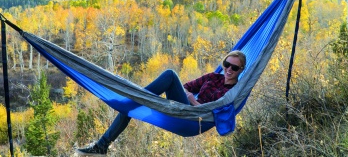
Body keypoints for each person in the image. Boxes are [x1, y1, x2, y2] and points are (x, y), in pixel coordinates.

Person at [76, 50, 246, 156]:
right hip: (182, 108)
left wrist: (193, 102)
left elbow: (215, 112)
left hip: (194, 119)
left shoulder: (234, 93)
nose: (229, 69)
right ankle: (102, 146)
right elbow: (187, 86)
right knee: (129, 108)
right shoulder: (212, 77)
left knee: (170, 75)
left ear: (241, 70)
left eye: (235, 68)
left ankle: (135, 97)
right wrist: (188, 95)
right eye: (226, 64)